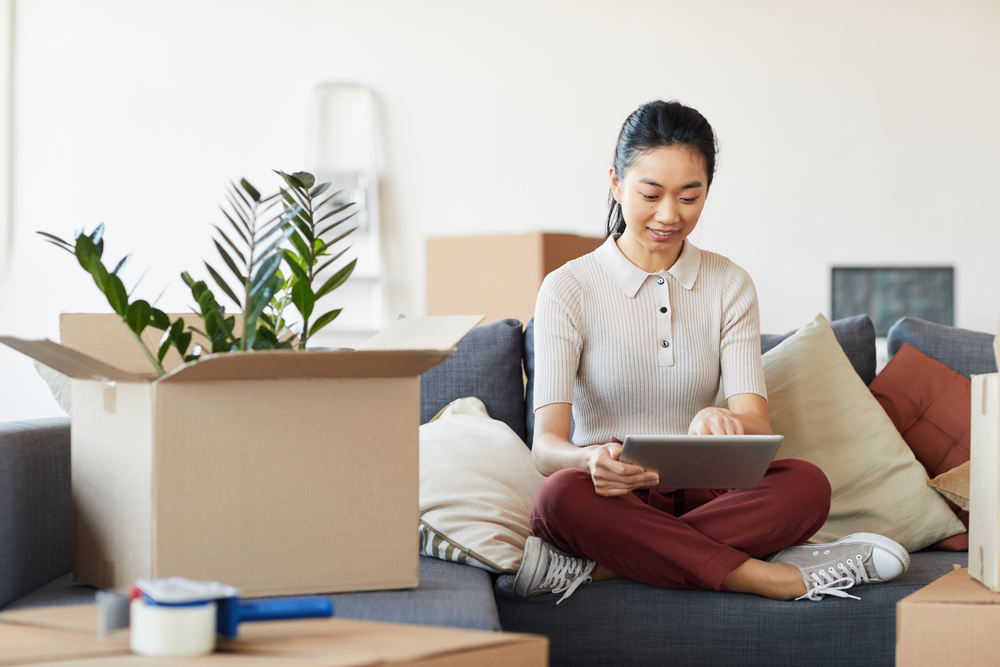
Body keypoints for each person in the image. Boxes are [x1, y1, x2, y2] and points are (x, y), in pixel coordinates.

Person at [512, 100, 909, 604]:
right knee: (558, 498)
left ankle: (610, 567)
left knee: (807, 485)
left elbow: (757, 428)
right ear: (615, 182)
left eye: (689, 196)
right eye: (650, 194)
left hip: (708, 495)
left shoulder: (729, 284)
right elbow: (546, 448)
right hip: (611, 497)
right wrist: (589, 459)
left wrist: (724, 423)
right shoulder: (567, 288)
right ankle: (763, 575)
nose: (669, 215)